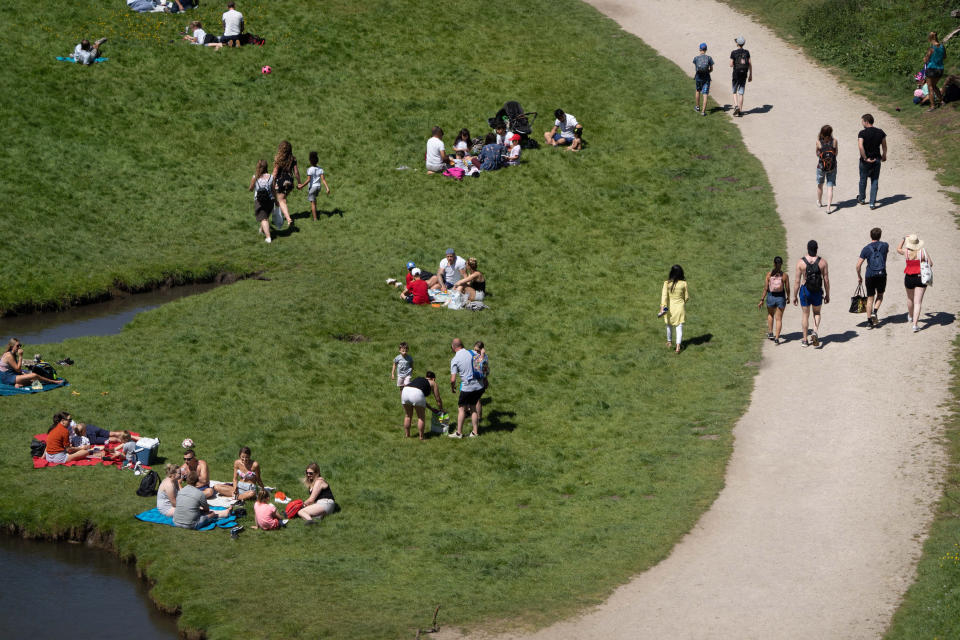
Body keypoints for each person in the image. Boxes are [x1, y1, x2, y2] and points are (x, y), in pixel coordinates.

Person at [792, 240, 830, 347]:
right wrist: (827, 294)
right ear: (817, 248)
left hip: (805, 291)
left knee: (805, 315)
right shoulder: (823, 262)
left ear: (807, 248)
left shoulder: (801, 262)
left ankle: (804, 340)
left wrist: (794, 296)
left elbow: (797, 282)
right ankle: (815, 331)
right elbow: (826, 280)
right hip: (817, 291)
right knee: (817, 313)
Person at [448, 338, 485, 438]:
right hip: (479, 386)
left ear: (453, 347)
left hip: (467, 387)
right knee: (473, 408)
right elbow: (481, 364)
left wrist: (452, 387)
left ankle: (459, 433)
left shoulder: (455, 360)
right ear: (462, 345)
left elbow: (453, 380)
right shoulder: (472, 352)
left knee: (461, 409)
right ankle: (475, 432)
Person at [896, 234, 932, 333]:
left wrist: (903, 239)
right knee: (918, 302)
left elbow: (898, 249)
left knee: (910, 298)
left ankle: (910, 316)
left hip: (909, 277)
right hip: (920, 278)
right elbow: (931, 264)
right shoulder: (923, 252)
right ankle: (915, 325)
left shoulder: (906, 252)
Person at [856, 227, 889, 327]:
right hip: (881, 274)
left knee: (870, 298)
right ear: (880, 235)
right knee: (880, 295)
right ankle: (875, 311)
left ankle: (869, 322)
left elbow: (858, 265)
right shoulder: (885, 246)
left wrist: (859, 276)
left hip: (869, 275)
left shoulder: (866, 249)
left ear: (870, 236)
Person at [1, 339, 65, 388]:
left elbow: (15, 369)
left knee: (32, 377)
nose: (19, 347)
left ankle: (19, 384)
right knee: (34, 375)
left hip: (10, 374)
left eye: (20, 345)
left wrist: (22, 373)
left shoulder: (11, 353)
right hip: (8, 378)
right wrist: (20, 356)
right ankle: (54, 382)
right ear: (12, 346)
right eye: (17, 346)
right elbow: (17, 369)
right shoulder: (9, 356)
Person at [401, 371, 444, 440]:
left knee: (408, 415)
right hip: (416, 394)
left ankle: (407, 435)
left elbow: (421, 400)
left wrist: (431, 408)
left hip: (405, 391)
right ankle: (421, 437)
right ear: (433, 379)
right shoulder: (433, 382)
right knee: (421, 417)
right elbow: (438, 399)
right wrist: (441, 410)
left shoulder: (419, 380)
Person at [857, 114, 887, 210]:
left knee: (863, 179)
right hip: (877, 159)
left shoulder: (862, 133)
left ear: (866, 121)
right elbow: (884, 146)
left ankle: (861, 198)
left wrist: (865, 157)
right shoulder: (880, 132)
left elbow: (861, 146)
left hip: (865, 161)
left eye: (862, 121)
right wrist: (884, 155)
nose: (862, 123)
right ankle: (872, 203)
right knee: (874, 181)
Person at [758, 256, 789, 344]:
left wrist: (762, 299)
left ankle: (770, 333)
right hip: (781, 298)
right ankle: (777, 337)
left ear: (774, 264)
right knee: (778, 319)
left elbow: (765, 288)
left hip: (771, 297)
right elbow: (787, 289)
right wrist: (789, 297)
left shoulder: (768, 274)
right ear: (782, 264)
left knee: (770, 314)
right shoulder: (785, 276)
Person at [659, 265, 690, 354]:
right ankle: (678, 347)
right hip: (680, 308)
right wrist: (682, 302)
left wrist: (662, 308)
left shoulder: (666, 283)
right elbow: (686, 297)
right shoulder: (684, 283)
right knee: (679, 327)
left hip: (669, 308)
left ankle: (669, 342)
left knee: (669, 325)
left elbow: (664, 296)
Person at [272, 141, 300, 228]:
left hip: (280, 182)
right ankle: (277, 219)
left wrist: (271, 183)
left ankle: (288, 219)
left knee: (281, 200)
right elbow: (296, 172)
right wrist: (299, 182)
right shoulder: (293, 159)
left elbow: (275, 173)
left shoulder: (279, 159)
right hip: (290, 182)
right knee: (279, 200)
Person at [297, 151, 331, 221]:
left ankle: (315, 219)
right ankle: (316, 212)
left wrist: (301, 186)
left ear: (310, 161)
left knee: (312, 203)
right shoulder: (320, 169)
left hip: (313, 188)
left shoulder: (310, 169)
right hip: (318, 187)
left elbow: (308, 180)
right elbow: (323, 179)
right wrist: (327, 188)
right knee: (314, 201)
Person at [248, 159, 275, 243]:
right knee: (265, 216)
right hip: (270, 200)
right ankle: (262, 229)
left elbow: (251, 189)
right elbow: (273, 190)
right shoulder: (271, 177)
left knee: (263, 219)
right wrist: (276, 200)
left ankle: (268, 237)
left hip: (259, 201)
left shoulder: (255, 177)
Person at [816, 125, 838, 213]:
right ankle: (828, 208)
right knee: (830, 187)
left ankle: (820, 202)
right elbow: (836, 154)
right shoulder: (834, 141)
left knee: (820, 184)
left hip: (821, 167)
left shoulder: (818, 142)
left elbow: (817, 154)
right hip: (832, 167)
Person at [923, 32, 946, 112]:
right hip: (940, 69)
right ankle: (942, 101)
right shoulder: (942, 46)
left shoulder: (931, 48)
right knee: (934, 86)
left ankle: (932, 106)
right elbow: (944, 57)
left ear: (930, 38)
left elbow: (926, 59)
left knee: (930, 87)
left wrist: (925, 59)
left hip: (931, 69)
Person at [730, 36, 752, 117]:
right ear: (743, 43)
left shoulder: (733, 52)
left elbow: (731, 64)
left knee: (734, 91)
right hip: (744, 74)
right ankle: (740, 110)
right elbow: (749, 64)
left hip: (736, 74)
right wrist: (750, 75)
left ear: (737, 43)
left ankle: (736, 106)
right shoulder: (747, 52)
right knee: (741, 92)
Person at [72, 422, 137, 446]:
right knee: (112, 434)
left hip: (93, 437)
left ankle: (128, 439)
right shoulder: (84, 427)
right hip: (93, 432)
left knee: (112, 438)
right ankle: (131, 437)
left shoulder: (78, 437)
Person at [693, 43, 714, 116]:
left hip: (698, 77)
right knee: (705, 94)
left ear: (700, 49)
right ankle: (703, 112)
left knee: (698, 90)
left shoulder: (696, 58)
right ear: (706, 49)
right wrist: (708, 72)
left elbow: (696, 68)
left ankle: (697, 107)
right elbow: (711, 69)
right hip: (706, 78)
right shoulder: (709, 58)